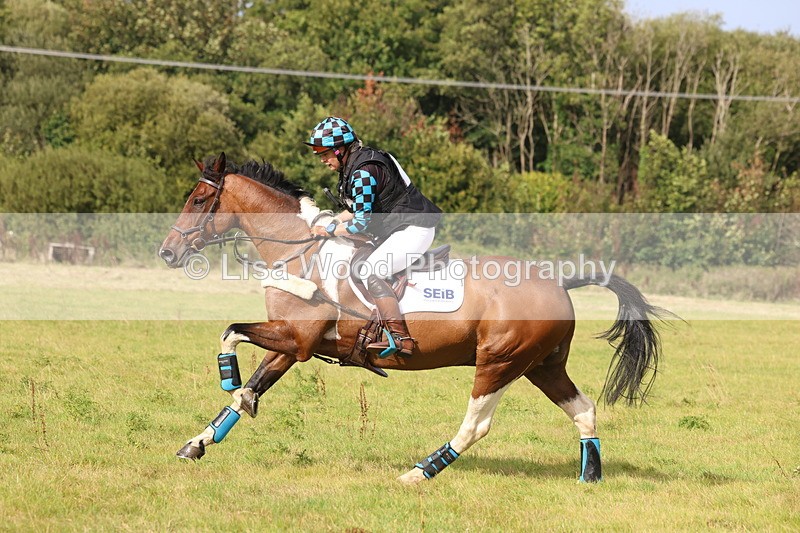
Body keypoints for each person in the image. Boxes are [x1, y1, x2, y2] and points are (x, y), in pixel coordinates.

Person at [306, 117, 442, 357]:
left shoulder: (363, 172)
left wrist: (328, 231)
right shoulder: (359, 163)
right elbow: (357, 209)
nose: (322, 159)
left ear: (340, 149)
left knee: (372, 270)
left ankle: (400, 338)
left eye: (324, 153)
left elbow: (360, 223)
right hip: (399, 228)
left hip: (414, 229)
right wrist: (334, 221)